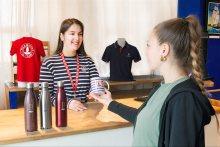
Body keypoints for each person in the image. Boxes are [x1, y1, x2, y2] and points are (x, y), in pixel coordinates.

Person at [88, 15, 215, 146]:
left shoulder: (184, 99)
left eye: (149, 45)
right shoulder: (162, 87)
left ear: (164, 50)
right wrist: (109, 102)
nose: (147, 52)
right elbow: (141, 117)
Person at [39, 18, 99, 112]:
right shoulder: (49, 63)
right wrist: (67, 103)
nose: (77, 38)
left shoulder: (88, 61)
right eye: (72, 33)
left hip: (85, 114)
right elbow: (44, 97)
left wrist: (94, 92)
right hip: (61, 115)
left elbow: (95, 85)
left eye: (80, 34)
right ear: (62, 36)